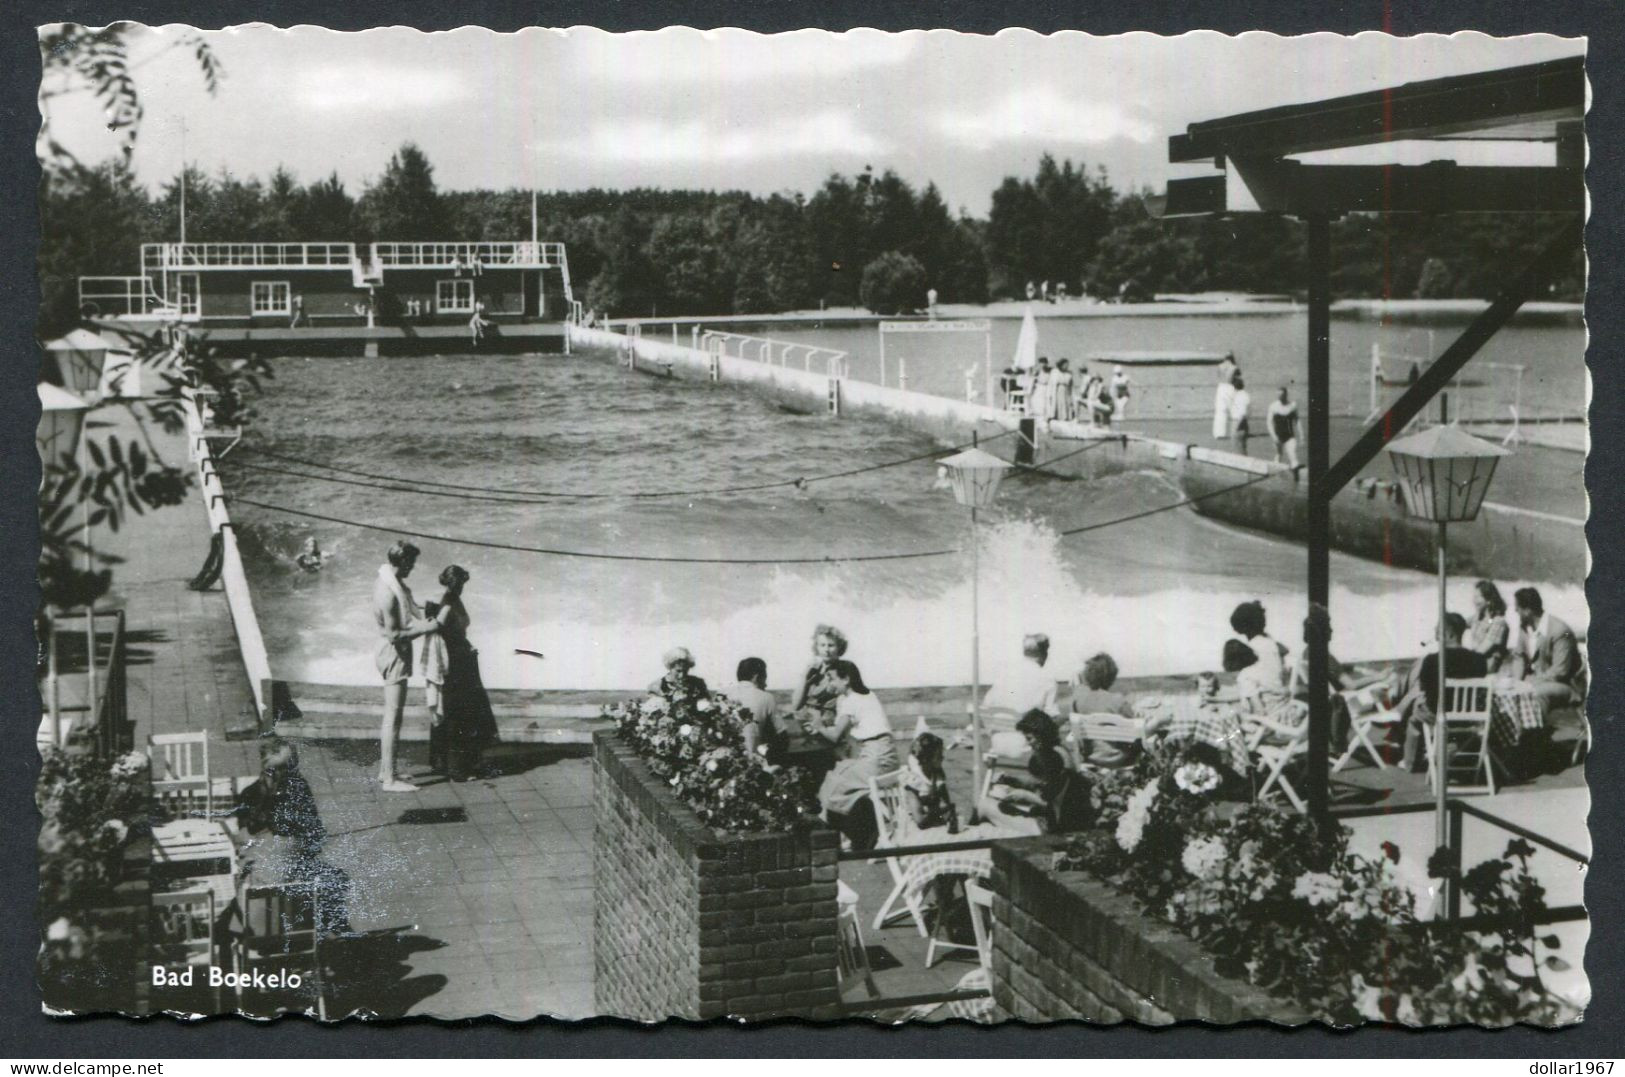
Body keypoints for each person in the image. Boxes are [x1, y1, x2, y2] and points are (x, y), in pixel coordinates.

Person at [420, 565, 498, 782]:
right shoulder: (449, 601)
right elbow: (440, 628)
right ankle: (458, 769)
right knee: (461, 714)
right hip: (456, 663)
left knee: (457, 712)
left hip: (459, 659)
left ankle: (447, 763)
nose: (462, 587)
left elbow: (445, 628)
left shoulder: (449, 599)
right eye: (461, 583)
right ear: (456, 583)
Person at [373, 541, 440, 792]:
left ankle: (386, 771)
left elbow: (412, 607)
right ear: (401, 562)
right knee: (393, 716)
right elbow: (395, 635)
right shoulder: (387, 592)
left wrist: (430, 612)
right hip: (392, 653)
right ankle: (389, 780)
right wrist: (427, 627)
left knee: (394, 715)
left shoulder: (394, 583)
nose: (413, 567)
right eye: (411, 563)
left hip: (394, 651)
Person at [813, 660, 899, 851]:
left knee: (834, 781)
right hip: (886, 754)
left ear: (846, 679)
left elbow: (835, 735)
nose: (830, 683)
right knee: (839, 772)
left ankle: (840, 832)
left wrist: (818, 726)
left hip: (877, 758)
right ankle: (856, 831)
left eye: (832, 678)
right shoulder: (867, 695)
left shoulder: (851, 701)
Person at [1398, 612, 1489, 771]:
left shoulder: (1432, 660)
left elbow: (1426, 690)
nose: (1435, 631)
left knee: (1414, 718)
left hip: (1439, 715)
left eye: (1438, 628)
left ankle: (1410, 762)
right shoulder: (1479, 659)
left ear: (1449, 634)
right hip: (1470, 717)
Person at [985, 711, 1091, 834]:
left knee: (985, 806)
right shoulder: (1054, 751)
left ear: (1041, 735)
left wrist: (1026, 796)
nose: (1028, 743)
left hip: (1047, 825)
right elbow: (1041, 784)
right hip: (1045, 818)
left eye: (1029, 738)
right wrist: (1011, 779)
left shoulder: (1057, 758)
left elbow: (1058, 803)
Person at [1511, 587, 1586, 713]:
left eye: (1518, 608)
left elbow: (1560, 671)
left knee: (1535, 693)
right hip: (1536, 681)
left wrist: (1530, 683)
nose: (1515, 610)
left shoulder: (1559, 630)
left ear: (1528, 610)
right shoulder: (1524, 628)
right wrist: (1516, 682)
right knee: (1507, 689)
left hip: (1565, 685)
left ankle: (1535, 730)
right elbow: (1519, 657)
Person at [1071, 652, 1137, 766]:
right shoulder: (1117, 701)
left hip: (1091, 758)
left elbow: (1078, 686)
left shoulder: (1078, 700)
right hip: (1120, 759)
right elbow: (1135, 727)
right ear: (1111, 676)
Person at [1224, 600, 1288, 711]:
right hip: (1277, 696)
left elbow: (1250, 680)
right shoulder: (1270, 642)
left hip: (1264, 701)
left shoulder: (1251, 647)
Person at [723, 657, 787, 763]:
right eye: (765, 679)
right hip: (753, 763)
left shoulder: (722, 695)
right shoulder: (767, 697)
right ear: (756, 677)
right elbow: (782, 736)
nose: (765, 685)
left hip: (725, 761)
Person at [791, 625, 855, 728]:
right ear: (816, 647)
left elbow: (851, 703)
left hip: (831, 725)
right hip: (807, 723)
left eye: (831, 645)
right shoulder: (812, 669)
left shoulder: (845, 668)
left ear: (839, 647)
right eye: (822, 645)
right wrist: (805, 679)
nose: (826, 650)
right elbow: (796, 705)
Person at [903, 731, 958, 832]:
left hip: (933, 824)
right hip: (914, 829)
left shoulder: (936, 776)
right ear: (926, 759)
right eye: (939, 756)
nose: (943, 758)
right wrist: (941, 810)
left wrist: (948, 811)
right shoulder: (914, 783)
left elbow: (946, 803)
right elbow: (919, 820)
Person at [1469, 579, 1512, 674]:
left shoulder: (1499, 622)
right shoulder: (1478, 617)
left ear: (1489, 600)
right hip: (1476, 663)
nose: (1474, 601)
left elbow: (1483, 649)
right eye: (1474, 597)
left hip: (1489, 669)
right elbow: (1458, 623)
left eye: (1478, 597)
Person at [1268, 385, 1300, 468]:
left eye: (1281, 395)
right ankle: (1276, 475)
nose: (1280, 397)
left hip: (1290, 436)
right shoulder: (1273, 406)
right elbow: (1269, 423)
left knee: (1293, 456)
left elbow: (1297, 421)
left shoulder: (1293, 405)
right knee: (1278, 455)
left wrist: (1301, 435)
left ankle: (1296, 474)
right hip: (1278, 436)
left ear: (1286, 395)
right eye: (1278, 395)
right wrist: (1273, 436)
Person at [1214, 355, 1238, 440]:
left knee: (1220, 411)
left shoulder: (1220, 366)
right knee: (1234, 410)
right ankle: (1235, 431)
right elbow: (1235, 378)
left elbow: (1218, 377)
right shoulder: (1234, 367)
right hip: (1230, 387)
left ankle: (1219, 433)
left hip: (1221, 387)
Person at [1229, 373, 1252, 455]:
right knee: (1239, 447)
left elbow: (1243, 414)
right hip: (1238, 422)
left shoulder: (1242, 396)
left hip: (1239, 423)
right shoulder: (1242, 395)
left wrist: (1236, 426)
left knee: (1239, 448)